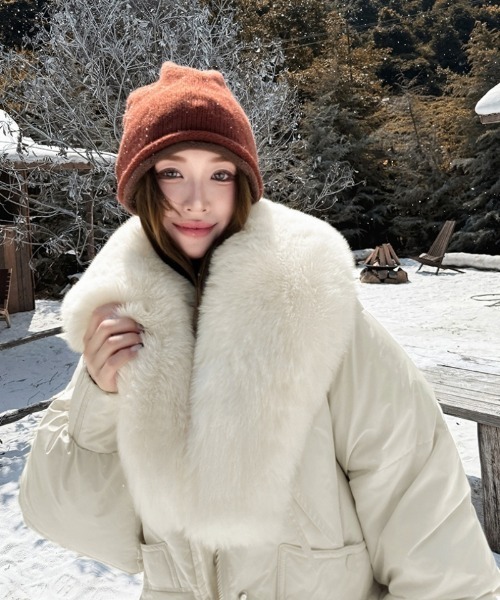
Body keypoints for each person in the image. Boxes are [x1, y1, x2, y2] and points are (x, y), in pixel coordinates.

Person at [20, 62, 500, 600]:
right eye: (172, 173)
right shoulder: (125, 329)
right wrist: (99, 400)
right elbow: (76, 526)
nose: (196, 199)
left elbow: (431, 534)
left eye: (220, 174)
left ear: (244, 185)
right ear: (141, 188)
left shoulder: (316, 314)